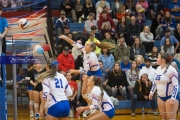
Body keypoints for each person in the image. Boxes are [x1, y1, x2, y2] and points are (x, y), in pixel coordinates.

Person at [149, 53, 179, 120]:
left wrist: (173, 98)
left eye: (158, 57)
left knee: (170, 118)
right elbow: (155, 82)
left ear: (162, 60)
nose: (156, 59)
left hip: (170, 96)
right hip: (160, 96)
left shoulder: (172, 70)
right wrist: (152, 92)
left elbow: (176, 85)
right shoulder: (158, 68)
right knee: (164, 118)